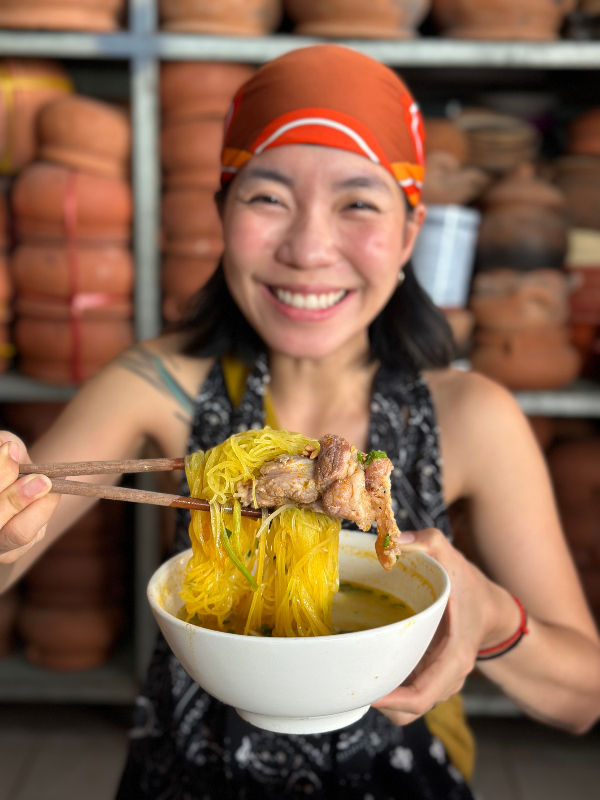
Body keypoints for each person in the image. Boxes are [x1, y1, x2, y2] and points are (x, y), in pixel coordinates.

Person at [1, 44, 599, 800]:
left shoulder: (474, 415)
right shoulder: (156, 384)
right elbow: (14, 541)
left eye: (358, 202)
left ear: (411, 233)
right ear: (221, 214)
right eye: (267, 198)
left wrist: (493, 618)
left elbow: (585, 698)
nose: (310, 249)